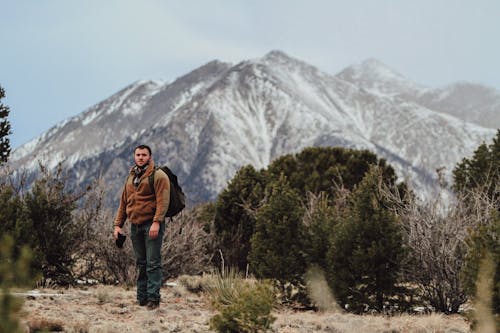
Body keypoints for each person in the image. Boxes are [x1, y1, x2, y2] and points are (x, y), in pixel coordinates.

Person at [113, 144, 170, 310]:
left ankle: (154, 299)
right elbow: (124, 202)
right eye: (138, 155)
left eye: (144, 155)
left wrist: (157, 222)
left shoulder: (158, 176)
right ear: (134, 156)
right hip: (135, 226)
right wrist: (118, 225)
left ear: (150, 157)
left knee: (153, 263)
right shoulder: (131, 176)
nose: (140, 157)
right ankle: (142, 298)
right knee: (141, 263)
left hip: (151, 225)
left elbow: (163, 201)